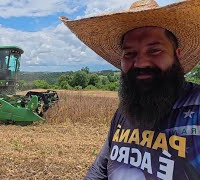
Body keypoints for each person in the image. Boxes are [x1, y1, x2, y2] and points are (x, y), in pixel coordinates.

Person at [60, 0, 200, 179]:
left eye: (154, 51)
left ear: (177, 56)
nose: (140, 63)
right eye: (130, 54)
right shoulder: (125, 112)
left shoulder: (196, 108)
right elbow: (99, 172)